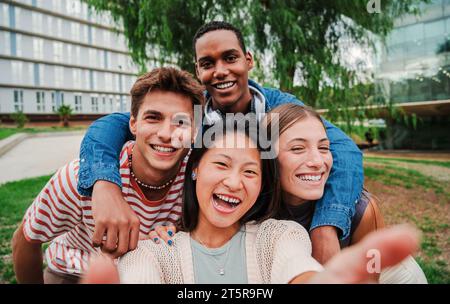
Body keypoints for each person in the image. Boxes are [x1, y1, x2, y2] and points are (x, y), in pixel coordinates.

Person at [76, 21, 364, 264]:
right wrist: (104, 184)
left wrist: (326, 227)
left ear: (248, 60)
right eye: (207, 63)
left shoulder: (278, 108)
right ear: (198, 70)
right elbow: (111, 125)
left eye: (230, 58)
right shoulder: (193, 111)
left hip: (271, 222)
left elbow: (344, 150)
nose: (220, 71)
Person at [81, 123, 421, 284]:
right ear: (195, 169)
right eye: (222, 164)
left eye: (250, 171)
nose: (234, 182)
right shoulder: (153, 250)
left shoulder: (279, 236)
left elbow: (298, 269)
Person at [11, 67, 204, 283]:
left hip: (150, 272)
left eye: (181, 122)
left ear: (194, 132)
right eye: (153, 118)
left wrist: (177, 231)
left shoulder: (199, 177)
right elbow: (26, 239)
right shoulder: (77, 178)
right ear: (133, 124)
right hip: (75, 273)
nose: (166, 134)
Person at [265, 104, 427, 283]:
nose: (318, 162)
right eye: (297, 148)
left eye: (324, 148)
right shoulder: (252, 207)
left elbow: (371, 276)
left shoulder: (363, 211)